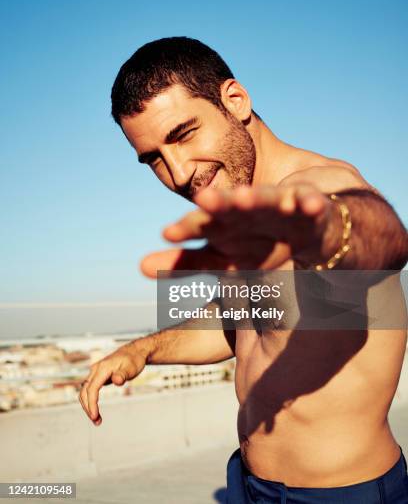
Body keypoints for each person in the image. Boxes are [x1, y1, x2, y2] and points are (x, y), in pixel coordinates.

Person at [79, 37, 408, 503]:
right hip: (251, 483)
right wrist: (143, 350)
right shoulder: (245, 212)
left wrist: (328, 232)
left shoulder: (321, 188)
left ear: (236, 101)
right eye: (153, 157)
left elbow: (382, 238)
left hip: (340, 492)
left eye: (182, 134)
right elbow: (239, 326)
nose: (175, 172)